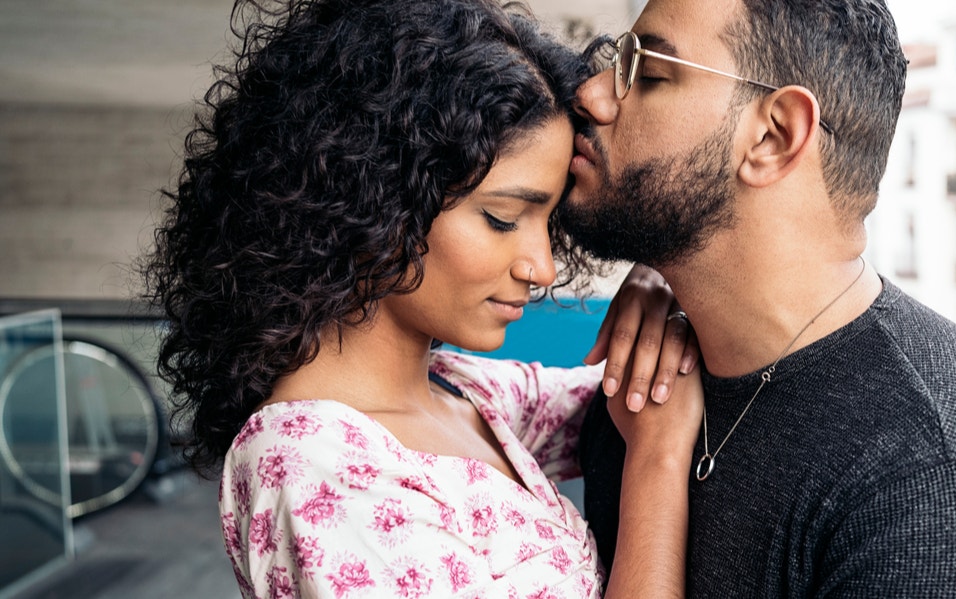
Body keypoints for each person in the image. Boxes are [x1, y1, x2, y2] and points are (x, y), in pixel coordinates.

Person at [142, 0, 703, 596]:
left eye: (549, 220)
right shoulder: (316, 469)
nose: (541, 267)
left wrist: (662, 277)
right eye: (503, 217)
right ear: (374, 201)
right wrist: (656, 467)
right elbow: (657, 429)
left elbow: (642, 395)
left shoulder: (464, 392)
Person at [562, 0, 956, 595]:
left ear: (774, 137)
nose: (594, 95)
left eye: (647, 74)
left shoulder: (945, 492)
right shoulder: (648, 376)